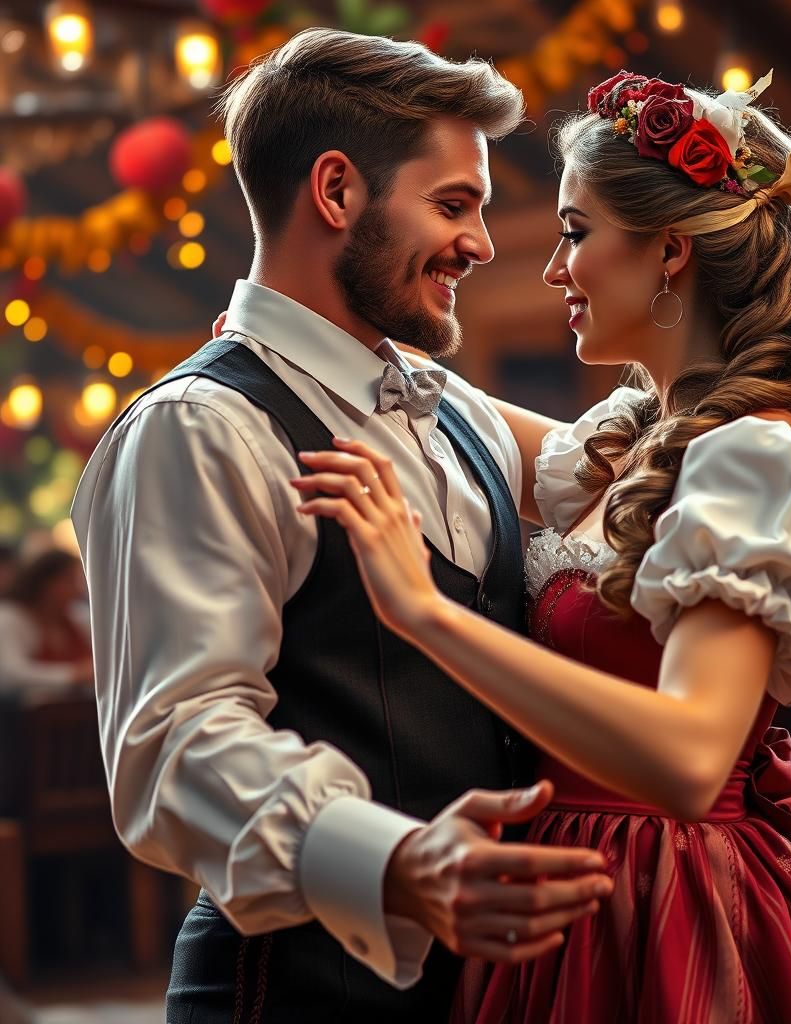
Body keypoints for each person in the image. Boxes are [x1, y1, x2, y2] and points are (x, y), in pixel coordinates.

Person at [295, 70, 791, 1021]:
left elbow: (694, 762)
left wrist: (422, 613)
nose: (551, 268)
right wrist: (296, 345)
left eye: (575, 234)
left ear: (667, 251)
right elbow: (439, 399)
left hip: (670, 899)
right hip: (574, 883)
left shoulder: (751, 459)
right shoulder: (635, 443)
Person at [70, 30, 611, 1024]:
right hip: (294, 991)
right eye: (453, 204)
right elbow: (176, 744)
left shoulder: (452, 407)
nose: (483, 245)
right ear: (336, 192)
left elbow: (629, 471)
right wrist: (397, 859)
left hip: (493, 986)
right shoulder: (199, 425)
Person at [0, 548, 93, 696]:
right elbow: (9, 675)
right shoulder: (10, 617)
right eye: (70, 580)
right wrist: (73, 675)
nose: (78, 589)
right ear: (46, 583)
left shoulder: (78, 616)